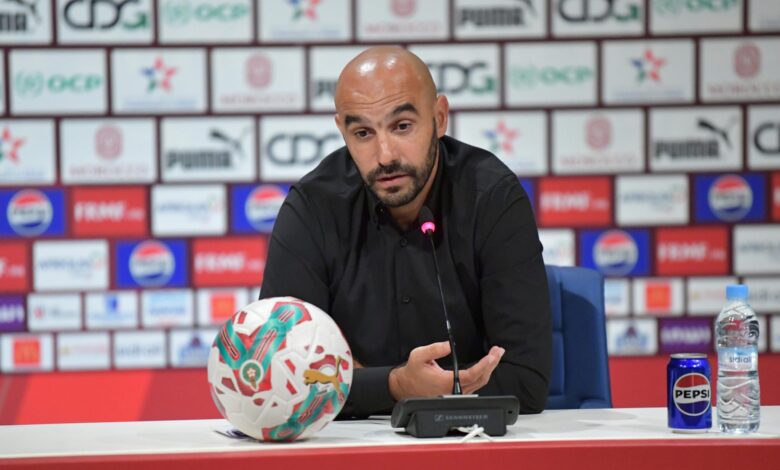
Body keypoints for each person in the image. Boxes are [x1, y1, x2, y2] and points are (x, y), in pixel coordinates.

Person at [260, 46, 551, 418]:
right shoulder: (313, 208)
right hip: (350, 444)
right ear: (342, 131)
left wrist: (363, 383)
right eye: (363, 132)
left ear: (439, 118)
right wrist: (396, 386)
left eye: (402, 126)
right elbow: (283, 373)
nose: (385, 156)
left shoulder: (491, 198)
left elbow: (526, 379)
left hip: (468, 440)